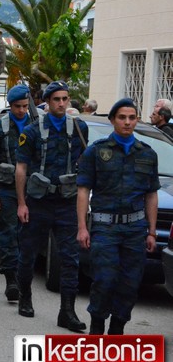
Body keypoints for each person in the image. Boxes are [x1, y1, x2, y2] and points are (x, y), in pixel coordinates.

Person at [77, 98, 159, 335]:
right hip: (105, 229)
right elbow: (83, 191)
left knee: (130, 284)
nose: (127, 122)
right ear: (113, 120)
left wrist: (151, 231)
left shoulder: (147, 154)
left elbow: (151, 195)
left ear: (137, 120)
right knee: (104, 280)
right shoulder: (96, 151)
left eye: (132, 117)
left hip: (135, 230)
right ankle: (97, 327)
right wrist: (82, 227)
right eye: (122, 117)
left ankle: (117, 330)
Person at [15, 80, 88, 332]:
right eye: (56, 99)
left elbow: (83, 164)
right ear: (47, 102)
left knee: (70, 259)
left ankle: (67, 311)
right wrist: (22, 203)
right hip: (38, 202)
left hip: (66, 202)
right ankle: (25, 296)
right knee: (27, 254)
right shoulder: (32, 131)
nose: (61, 103)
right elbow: (21, 168)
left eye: (65, 99)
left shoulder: (80, 128)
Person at [0, 84, 32, 302]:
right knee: (9, 233)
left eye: (24, 106)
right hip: (7, 188)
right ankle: (11, 280)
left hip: (34, 189)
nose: (21, 110)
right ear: (10, 106)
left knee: (27, 236)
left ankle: (23, 278)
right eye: (17, 106)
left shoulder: (38, 126)